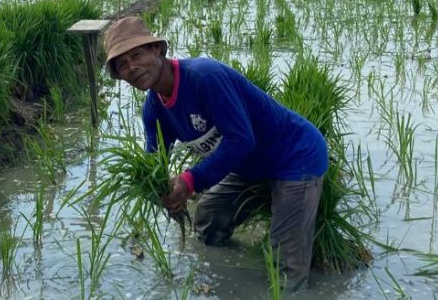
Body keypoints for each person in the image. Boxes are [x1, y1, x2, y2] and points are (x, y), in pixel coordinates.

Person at [103, 16, 329, 292]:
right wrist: (158, 190)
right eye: (123, 65)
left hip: (295, 158)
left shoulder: (205, 77)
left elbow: (241, 140)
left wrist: (189, 181)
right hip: (250, 166)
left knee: (284, 269)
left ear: (158, 50)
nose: (132, 68)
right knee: (208, 221)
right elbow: (154, 161)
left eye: (136, 55)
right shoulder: (154, 110)